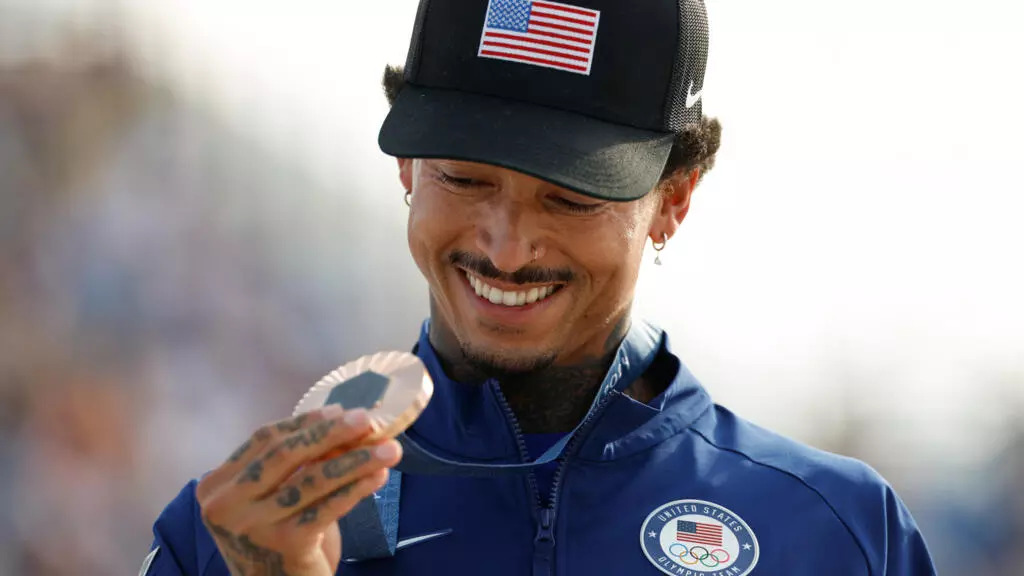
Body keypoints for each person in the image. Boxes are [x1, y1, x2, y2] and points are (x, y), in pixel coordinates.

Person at [142, 0, 937, 574]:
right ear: (408, 168)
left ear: (676, 200)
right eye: (463, 177)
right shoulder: (234, 531)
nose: (507, 249)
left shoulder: (839, 533)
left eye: (572, 197)